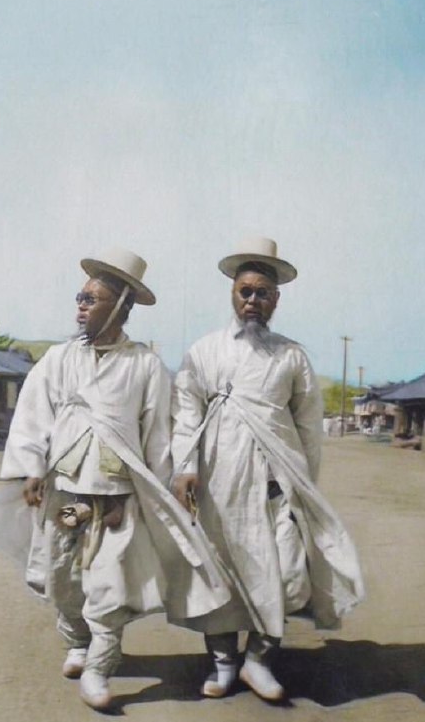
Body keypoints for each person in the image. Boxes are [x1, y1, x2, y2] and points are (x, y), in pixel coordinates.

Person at [0, 248, 230, 710]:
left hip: (116, 500)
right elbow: (32, 414)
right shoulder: (60, 360)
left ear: (120, 308)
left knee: (108, 582)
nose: (81, 307)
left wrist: (154, 491)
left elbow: (158, 436)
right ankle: (78, 643)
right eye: (80, 298)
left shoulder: (144, 366)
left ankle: (100, 669)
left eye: (92, 299)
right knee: (63, 573)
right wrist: (31, 467)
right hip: (68, 496)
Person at [171, 236, 364, 702]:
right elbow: (186, 414)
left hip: (279, 485)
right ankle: (222, 663)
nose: (252, 301)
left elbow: (308, 428)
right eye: (245, 291)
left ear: (276, 300)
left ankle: (259, 660)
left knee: (285, 574)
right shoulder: (204, 351)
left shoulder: (292, 356)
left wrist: (303, 484)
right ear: (232, 294)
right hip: (218, 486)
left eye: (262, 293)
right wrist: (185, 468)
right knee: (219, 574)